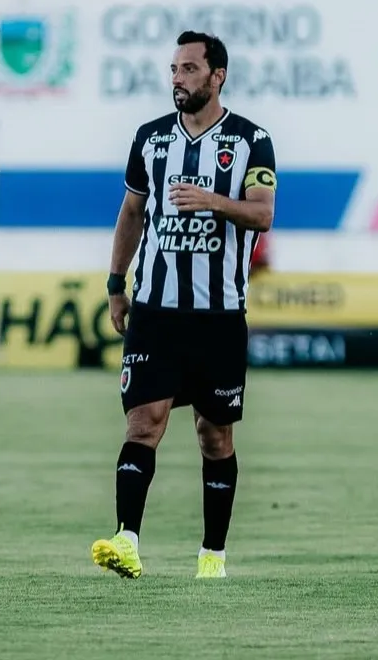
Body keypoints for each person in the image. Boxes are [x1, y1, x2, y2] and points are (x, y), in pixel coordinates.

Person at [90, 30, 277, 580]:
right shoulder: (150, 140)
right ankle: (126, 539)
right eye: (174, 69)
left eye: (190, 69)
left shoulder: (251, 140)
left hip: (219, 317)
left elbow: (262, 214)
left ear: (217, 75)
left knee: (213, 434)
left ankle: (212, 556)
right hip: (155, 312)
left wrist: (212, 201)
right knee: (143, 423)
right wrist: (115, 284)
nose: (178, 78)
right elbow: (131, 215)